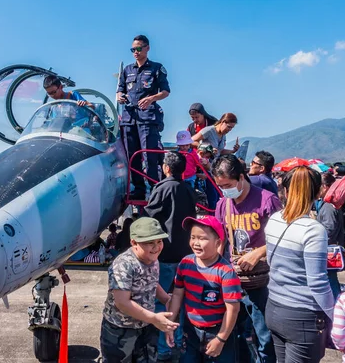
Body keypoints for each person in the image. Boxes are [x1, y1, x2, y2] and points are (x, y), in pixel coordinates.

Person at [212, 154, 281, 363]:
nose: (225, 190)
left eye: (228, 184)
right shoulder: (223, 204)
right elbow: (219, 239)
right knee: (236, 333)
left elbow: (284, 240)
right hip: (233, 281)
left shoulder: (267, 201)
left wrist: (258, 252)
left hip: (262, 282)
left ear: (242, 178)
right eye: (220, 185)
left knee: (265, 336)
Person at [264, 166, 334, 363]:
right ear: (318, 192)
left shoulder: (274, 220)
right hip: (303, 317)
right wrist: (335, 315)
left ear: (285, 191)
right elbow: (318, 283)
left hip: (274, 307)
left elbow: (271, 261)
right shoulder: (313, 230)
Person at [100, 217, 177, 363]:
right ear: (134, 242)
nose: (156, 247)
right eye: (149, 243)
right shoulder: (124, 264)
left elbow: (151, 283)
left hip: (146, 326)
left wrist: (166, 299)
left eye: (159, 241)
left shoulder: (153, 258)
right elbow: (122, 302)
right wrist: (154, 318)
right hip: (120, 330)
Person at [144, 151, 197, 362]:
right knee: (180, 301)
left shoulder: (162, 188)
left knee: (161, 302)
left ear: (166, 168)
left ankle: (163, 348)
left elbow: (148, 217)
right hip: (185, 254)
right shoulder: (188, 189)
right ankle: (176, 342)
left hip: (165, 255)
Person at [166, 216, 241, 362]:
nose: (196, 243)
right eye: (193, 237)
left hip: (217, 332)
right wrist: (170, 323)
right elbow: (177, 295)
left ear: (218, 242)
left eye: (202, 238)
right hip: (191, 331)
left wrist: (221, 338)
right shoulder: (185, 263)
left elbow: (233, 309)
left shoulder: (225, 272)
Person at [116, 35, 170, 200]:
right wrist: (119, 96)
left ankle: (155, 190)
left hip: (147, 119)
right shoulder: (127, 70)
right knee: (132, 157)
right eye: (133, 49)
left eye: (139, 48)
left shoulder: (156, 68)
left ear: (147, 48)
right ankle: (139, 189)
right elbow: (120, 90)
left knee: (149, 156)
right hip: (129, 119)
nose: (136, 52)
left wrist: (151, 98)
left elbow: (166, 91)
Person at [316, 172, 345, 300]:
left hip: (329, 250)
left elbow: (329, 228)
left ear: (325, 187)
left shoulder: (328, 206)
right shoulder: (328, 203)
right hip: (331, 247)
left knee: (330, 281)